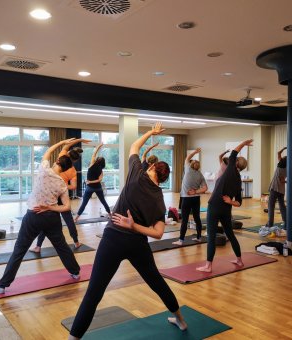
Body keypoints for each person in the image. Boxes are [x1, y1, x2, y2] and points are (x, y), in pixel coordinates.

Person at [68, 123, 187, 339]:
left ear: (151, 168)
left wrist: (151, 132)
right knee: (157, 283)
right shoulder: (159, 199)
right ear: (162, 179)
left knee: (93, 294)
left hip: (113, 237)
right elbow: (159, 233)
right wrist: (135, 227)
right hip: (137, 244)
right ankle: (180, 319)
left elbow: (134, 146)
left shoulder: (135, 173)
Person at [0, 139, 81, 294]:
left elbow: (49, 151)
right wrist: (50, 207)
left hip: (33, 216)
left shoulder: (44, 169)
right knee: (61, 246)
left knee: (19, 250)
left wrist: (63, 143)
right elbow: (66, 207)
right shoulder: (62, 183)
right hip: (51, 218)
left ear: (58, 161)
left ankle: (2, 286)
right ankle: (75, 272)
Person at [197, 139, 253, 273]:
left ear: (235, 163)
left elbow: (234, 152)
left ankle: (208, 266)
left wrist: (244, 143)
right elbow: (239, 202)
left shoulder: (229, 171)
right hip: (226, 209)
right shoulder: (239, 180)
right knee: (230, 235)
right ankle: (239, 260)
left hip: (215, 206)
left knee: (211, 236)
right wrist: (230, 201)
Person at [31, 138, 90, 253]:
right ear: (75, 161)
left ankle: (38, 246)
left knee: (46, 221)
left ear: (68, 154)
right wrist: (62, 186)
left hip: (52, 196)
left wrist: (79, 140)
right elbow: (73, 187)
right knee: (69, 221)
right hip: (61, 196)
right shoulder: (72, 170)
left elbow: (64, 146)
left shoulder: (61, 158)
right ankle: (76, 242)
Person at [173, 148, 207, 245]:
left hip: (186, 199)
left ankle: (181, 240)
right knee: (197, 218)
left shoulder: (187, 169)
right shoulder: (200, 175)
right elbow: (205, 188)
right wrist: (196, 191)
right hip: (196, 199)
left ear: (191, 165)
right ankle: (199, 237)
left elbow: (187, 158)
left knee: (184, 220)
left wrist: (195, 152)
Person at [74, 143, 111, 221]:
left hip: (90, 188)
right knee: (103, 201)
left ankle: (76, 218)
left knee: (84, 203)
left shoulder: (92, 164)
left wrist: (99, 146)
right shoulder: (101, 170)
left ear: (97, 160)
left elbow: (94, 153)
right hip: (98, 188)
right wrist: (92, 181)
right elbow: (99, 180)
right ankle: (110, 215)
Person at [265, 147, 287, 229]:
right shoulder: (288, 169)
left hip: (274, 188)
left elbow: (278, 153)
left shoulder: (280, 165)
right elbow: (289, 180)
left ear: (282, 160)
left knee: (271, 206)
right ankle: (286, 222)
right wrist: (285, 181)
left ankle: (270, 224)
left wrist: (284, 149)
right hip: (281, 189)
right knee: (282, 206)